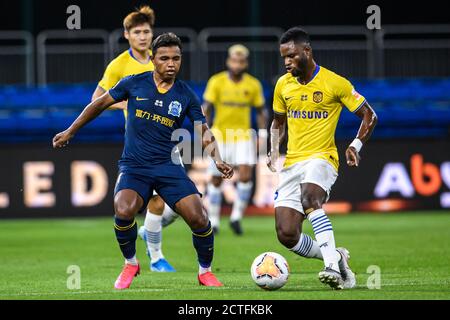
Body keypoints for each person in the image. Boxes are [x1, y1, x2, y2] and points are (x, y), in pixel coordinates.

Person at [53, 33, 234, 289]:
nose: (171, 64)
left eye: (176, 58)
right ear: (152, 59)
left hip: (168, 166)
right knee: (124, 209)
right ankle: (131, 264)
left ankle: (205, 271)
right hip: (135, 166)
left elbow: (203, 130)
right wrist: (70, 130)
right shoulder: (133, 84)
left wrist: (218, 158)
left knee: (199, 218)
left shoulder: (186, 95)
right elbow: (99, 104)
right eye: (164, 58)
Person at [267, 27, 378, 290]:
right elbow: (278, 122)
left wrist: (355, 145)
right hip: (293, 162)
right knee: (286, 234)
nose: (287, 62)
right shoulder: (283, 84)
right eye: (284, 57)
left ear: (307, 51)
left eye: (292, 56)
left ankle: (332, 269)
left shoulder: (334, 82)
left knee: (310, 198)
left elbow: (369, 115)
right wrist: (273, 149)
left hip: (322, 158)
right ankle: (336, 256)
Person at [92, 5, 178, 272]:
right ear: (127, 35)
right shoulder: (119, 65)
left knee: (176, 207)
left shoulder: (161, 59)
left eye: (147, 31)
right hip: (140, 145)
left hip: (167, 138)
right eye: (137, 32)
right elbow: (97, 99)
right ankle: (156, 258)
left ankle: (148, 233)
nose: (143, 36)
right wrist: (128, 103)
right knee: (156, 200)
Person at [202, 44, 267, 235]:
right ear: (229, 61)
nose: (237, 64)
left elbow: (261, 110)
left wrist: (262, 134)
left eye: (241, 61)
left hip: (243, 136)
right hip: (220, 135)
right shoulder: (217, 81)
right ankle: (213, 220)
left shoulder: (253, 84)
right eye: (234, 60)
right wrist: (205, 132)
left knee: (246, 175)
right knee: (216, 178)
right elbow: (206, 107)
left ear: (245, 63)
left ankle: (236, 217)